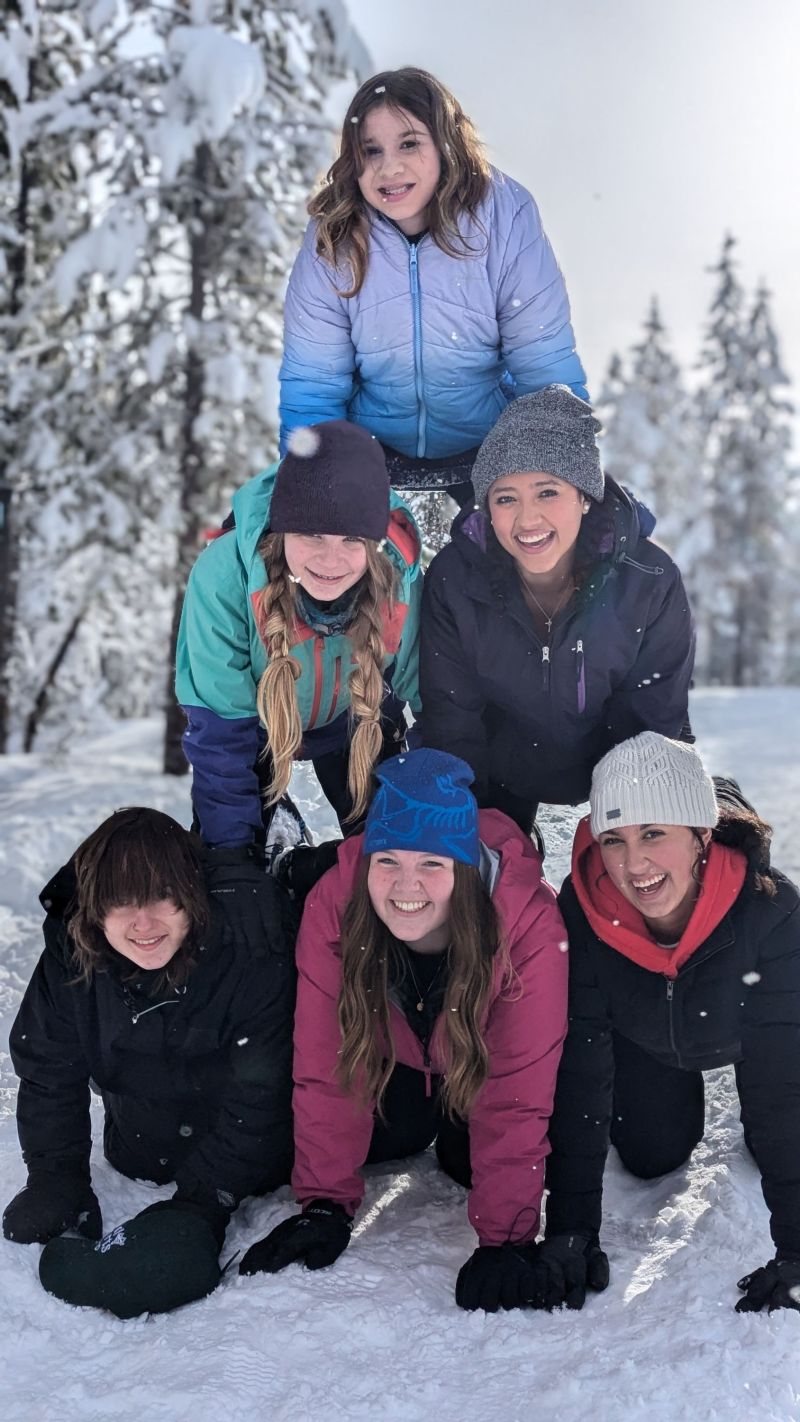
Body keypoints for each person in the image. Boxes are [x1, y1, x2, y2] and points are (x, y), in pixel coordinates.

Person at [238, 748, 569, 1313]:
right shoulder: (335, 907)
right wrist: (323, 1202)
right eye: (387, 860)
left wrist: (505, 1239)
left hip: (480, 1066)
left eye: (432, 863)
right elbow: (326, 1063)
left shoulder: (527, 923)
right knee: (388, 1139)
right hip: (404, 1061)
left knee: (473, 1164)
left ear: (463, 869)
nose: (405, 884)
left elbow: (516, 1095)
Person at [542, 732, 800, 1315]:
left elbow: (781, 1087)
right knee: (653, 1153)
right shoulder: (582, 913)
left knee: (774, 1136)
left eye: (654, 833)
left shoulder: (772, 912)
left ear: (701, 836)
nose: (634, 864)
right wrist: (571, 1228)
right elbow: (581, 1068)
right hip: (651, 1038)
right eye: (614, 840)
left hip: (740, 1025)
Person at [3, 807, 296, 1318]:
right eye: (120, 902)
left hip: (254, 1157)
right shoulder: (73, 958)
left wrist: (207, 1200)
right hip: (139, 1142)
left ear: (192, 896)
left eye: (162, 897)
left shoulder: (249, 953)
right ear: (94, 908)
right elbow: (48, 1067)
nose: (143, 924)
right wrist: (56, 1176)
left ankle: (278, 853)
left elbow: (261, 1092)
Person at [278, 67, 587, 498]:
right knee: (265, 537)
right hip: (369, 454)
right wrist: (311, 489)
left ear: (445, 144)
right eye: (371, 150)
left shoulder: (504, 217)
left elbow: (543, 367)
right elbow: (315, 385)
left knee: (582, 544)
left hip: (491, 451)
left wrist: (566, 480)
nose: (389, 167)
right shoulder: (336, 235)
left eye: (409, 143)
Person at [175, 420, 422, 948]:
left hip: (353, 717)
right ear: (283, 530)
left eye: (351, 539)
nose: (330, 560)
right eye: (311, 535)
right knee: (230, 872)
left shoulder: (398, 577)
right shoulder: (226, 575)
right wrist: (232, 868)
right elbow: (220, 737)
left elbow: (435, 705)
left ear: (374, 542)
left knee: (393, 863)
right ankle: (269, 860)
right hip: (254, 724)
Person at [418, 384, 695, 834]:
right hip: (499, 770)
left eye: (547, 492)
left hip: (622, 762)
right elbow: (453, 724)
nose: (527, 520)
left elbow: (652, 725)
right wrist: (479, 839)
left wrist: (629, 833)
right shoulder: (455, 579)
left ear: (585, 496)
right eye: (506, 498)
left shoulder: (648, 580)